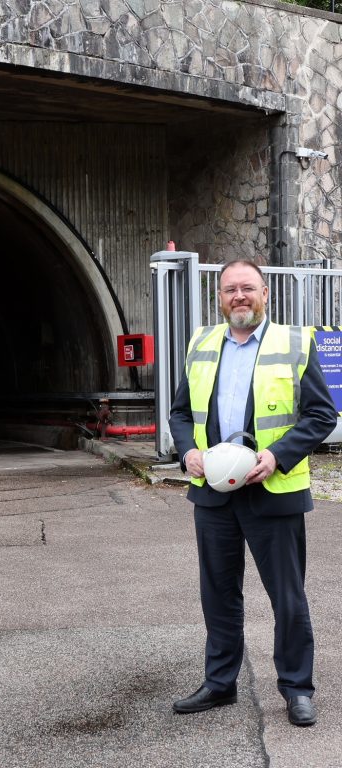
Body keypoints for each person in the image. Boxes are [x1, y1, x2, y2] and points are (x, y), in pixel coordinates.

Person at [168, 259, 338, 728]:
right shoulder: (202, 344)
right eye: (229, 291)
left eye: (247, 289)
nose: (238, 297)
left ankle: (297, 689)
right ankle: (220, 683)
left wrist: (278, 456)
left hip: (273, 491)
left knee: (287, 597)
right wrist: (188, 454)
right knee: (218, 594)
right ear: (219, 299)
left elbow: (321, 416)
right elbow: (180, 414)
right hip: (213, 494)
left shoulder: (294, 343)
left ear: (265, 294)